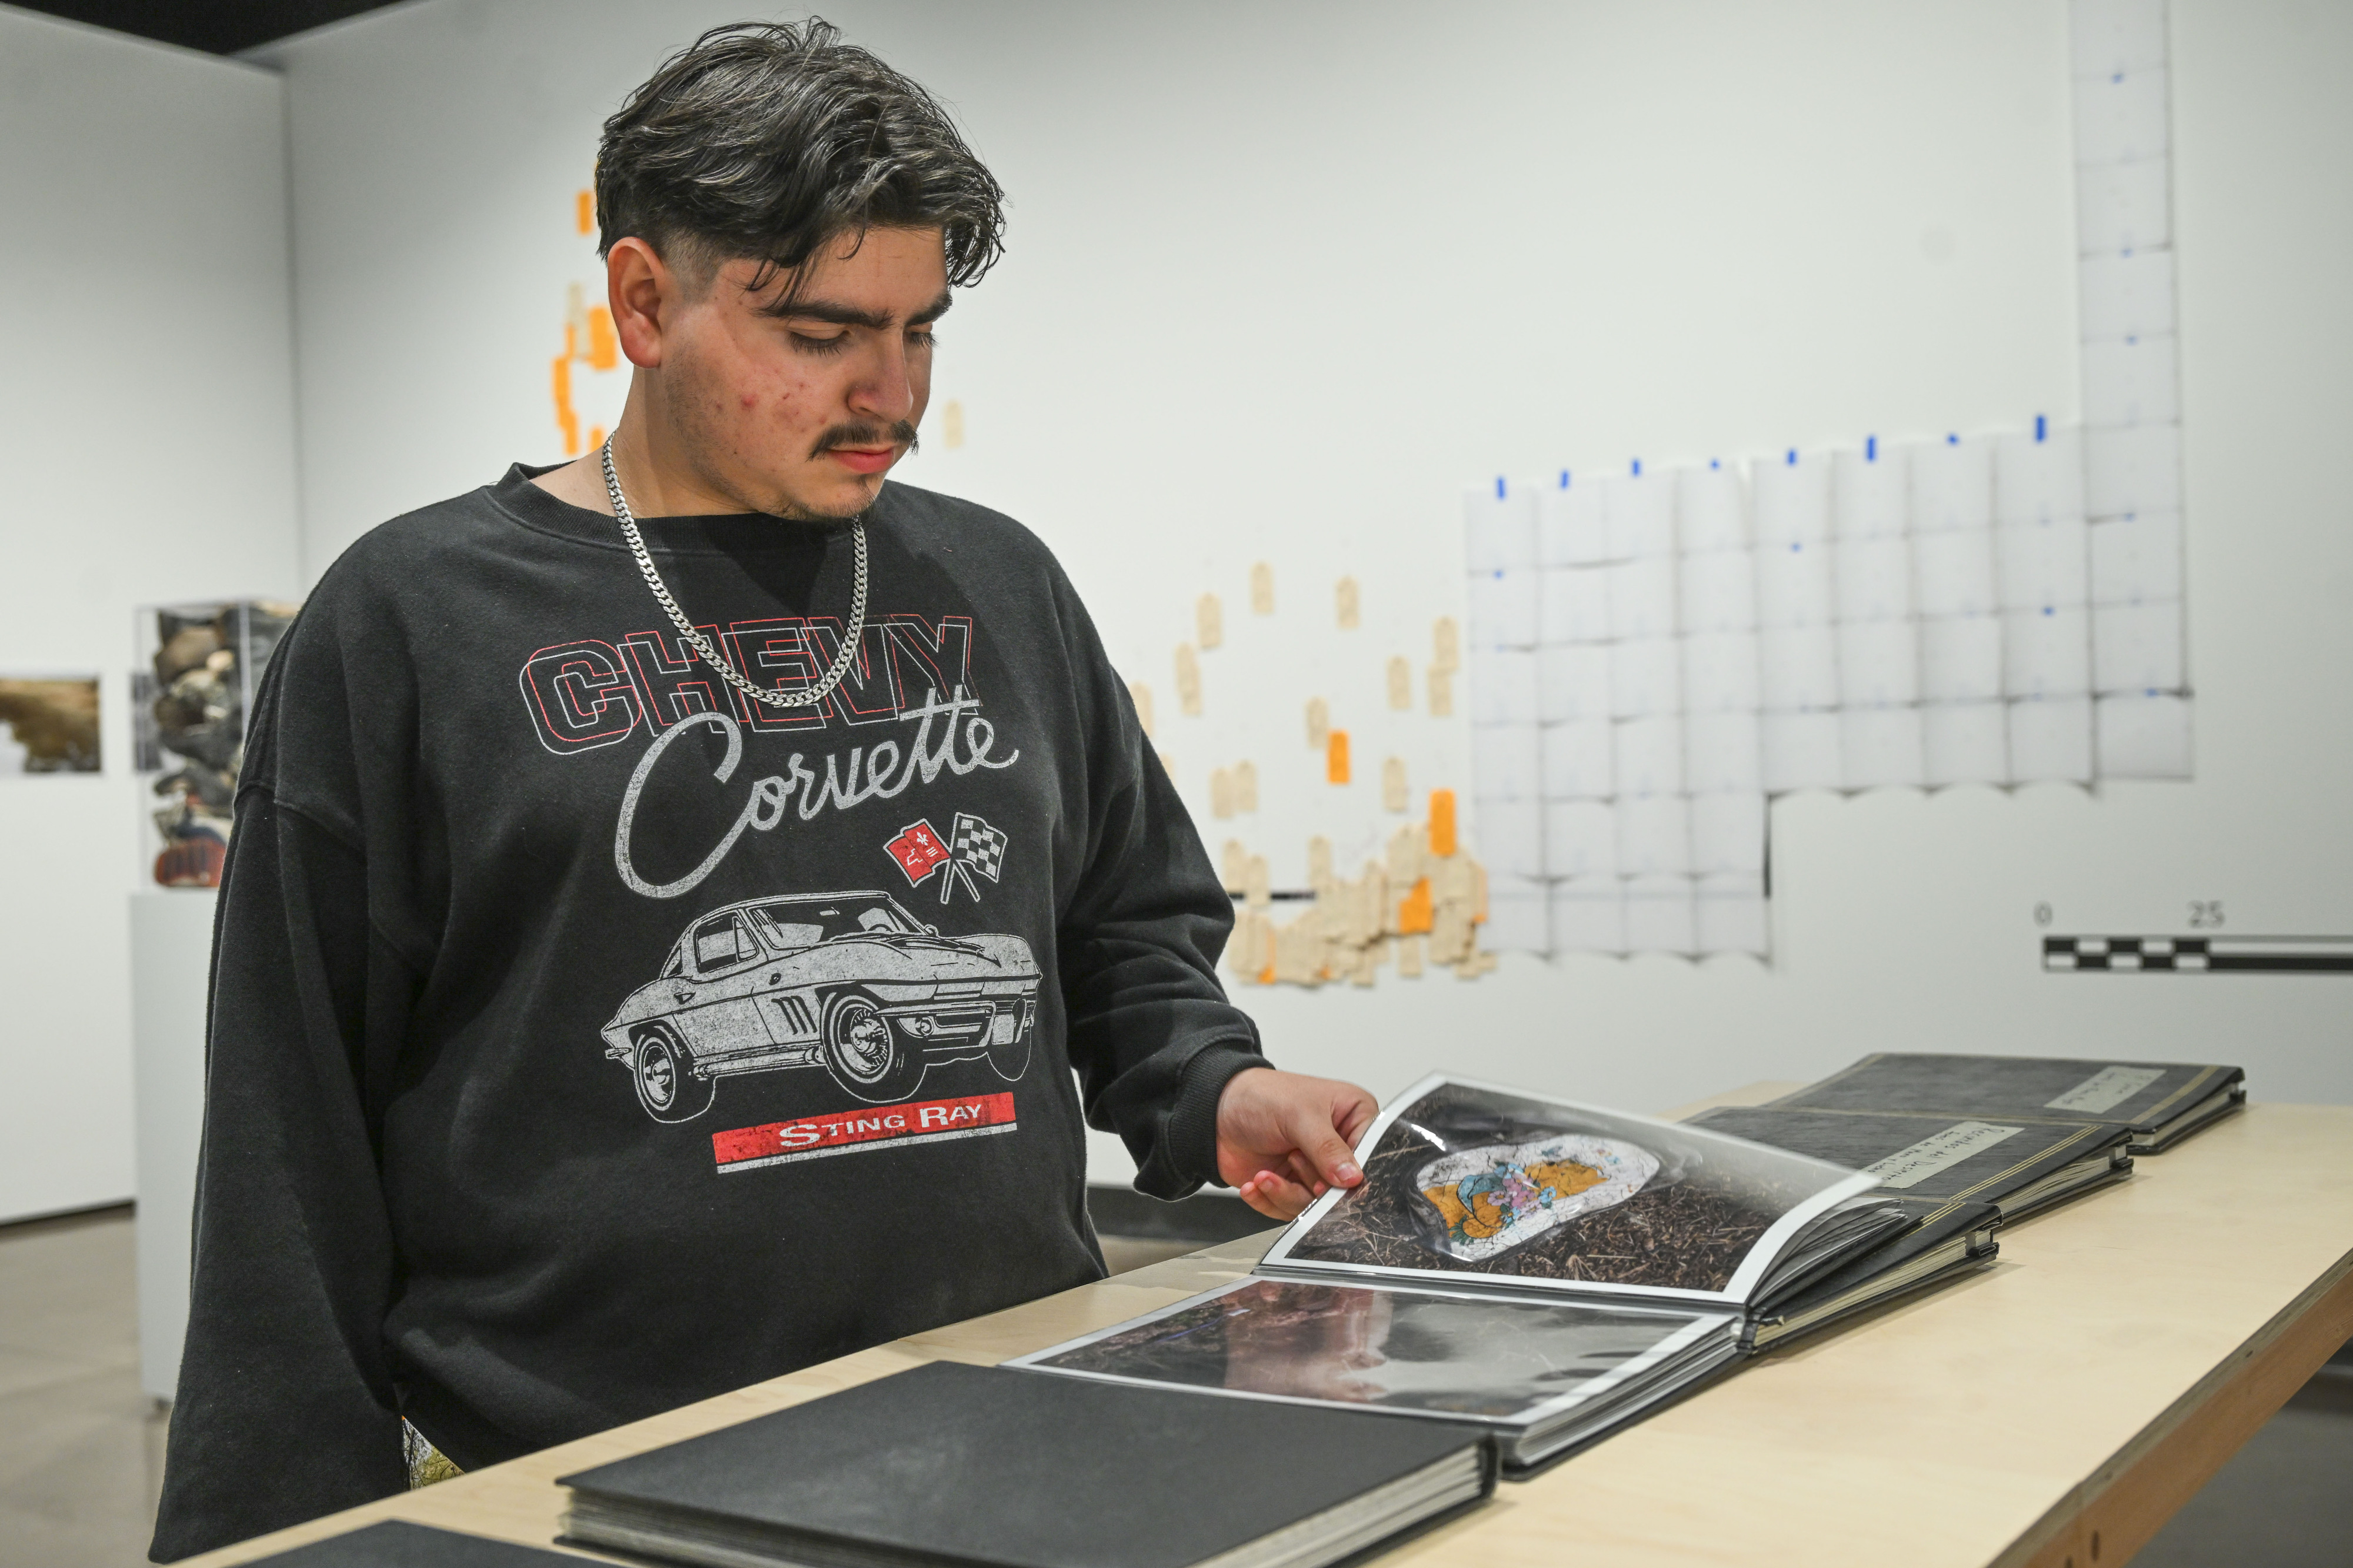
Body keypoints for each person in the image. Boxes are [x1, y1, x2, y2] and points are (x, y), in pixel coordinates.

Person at [151, 19, 1377, 1560]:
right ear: (643, 302)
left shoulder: (996, 579)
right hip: (581, 1484)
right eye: (819, 332)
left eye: (920, 331)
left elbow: (1119, 922)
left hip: (1005, 1423)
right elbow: (289, 1130)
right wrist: (270, 1530)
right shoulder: (410, 619)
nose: (891, 396)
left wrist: (1206, 1085)